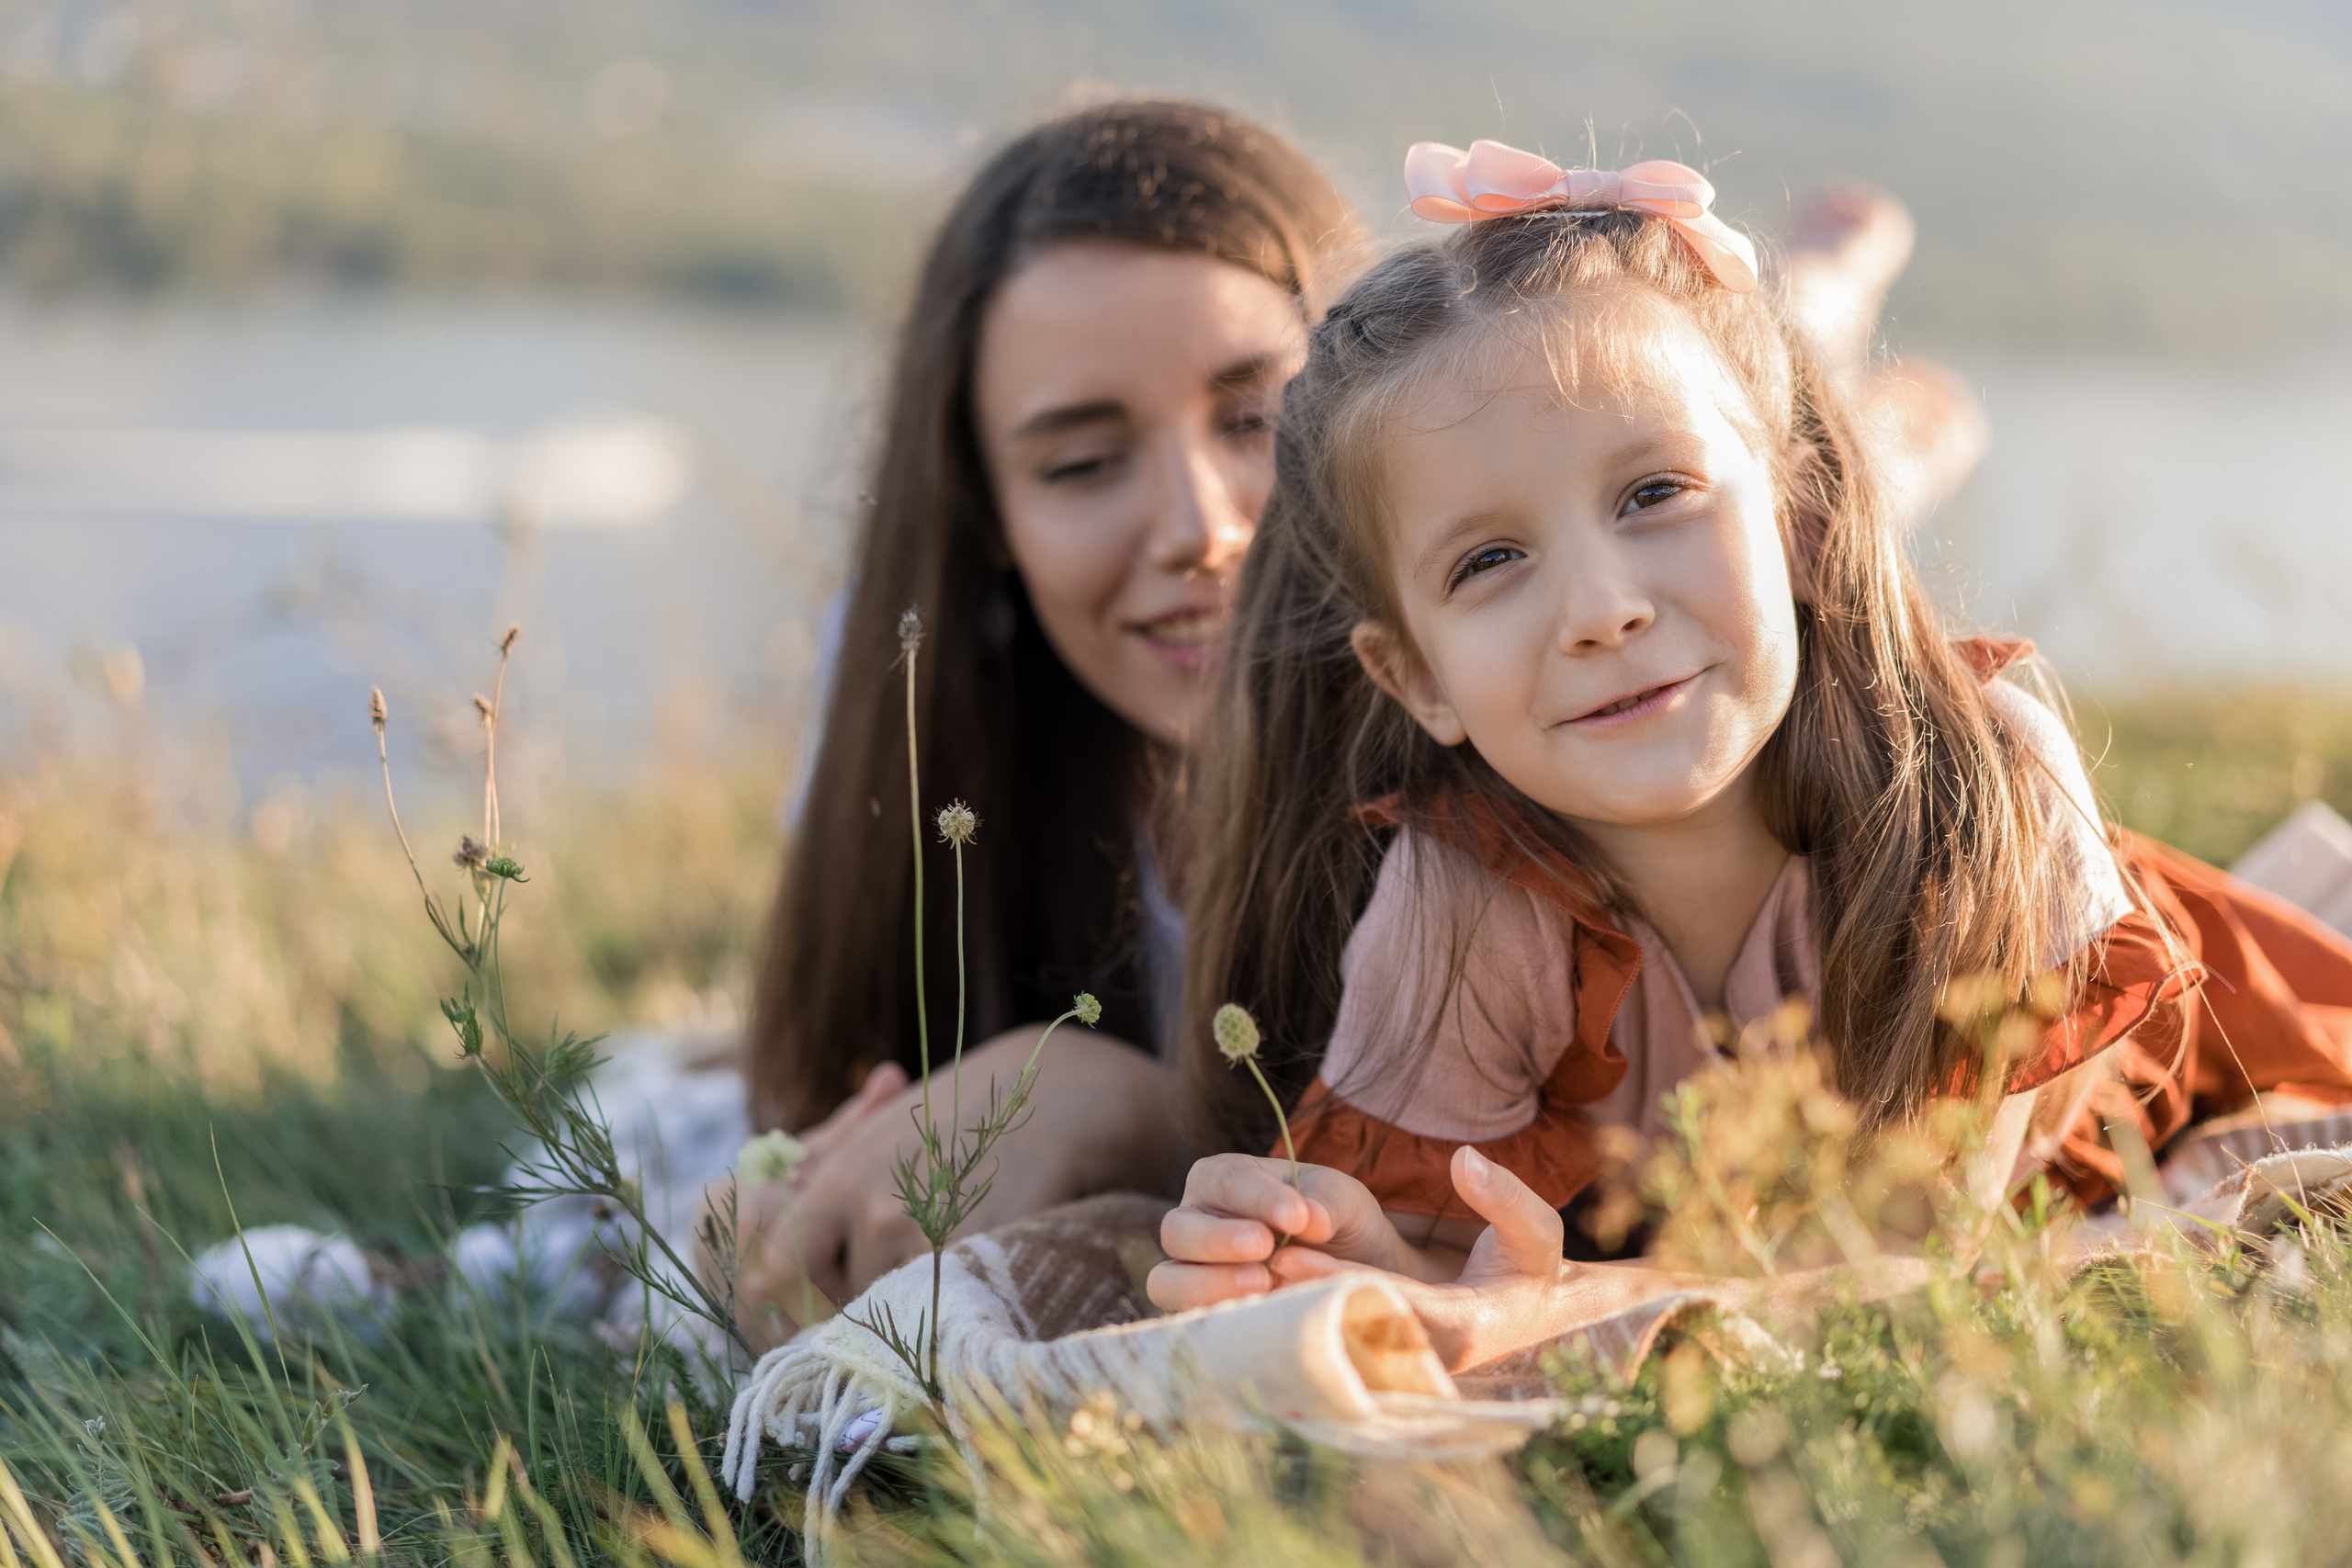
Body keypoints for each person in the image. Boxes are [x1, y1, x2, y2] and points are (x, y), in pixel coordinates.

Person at [1148, 138, 2352, 1371]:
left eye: (1653, 495)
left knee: (1833, 409)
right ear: (1417, 681)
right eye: (1490, 561)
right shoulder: (1461, 897)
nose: (1599, 609)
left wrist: (1550, 1305)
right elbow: (1442, 1269)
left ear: (1796, 525)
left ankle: (1827, 295)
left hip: (2105, 1102)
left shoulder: (1982, 790)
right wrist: (1356, 1259)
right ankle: (1803, 323)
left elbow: (1905, 1272)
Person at [727, 99, 1363, 1345]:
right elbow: (795, 1149)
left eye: (1257, 421)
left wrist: (1124, 1106)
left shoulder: (1541, 736)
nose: (1197, 526)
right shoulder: (939, 747)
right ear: (990, 530)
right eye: (1080, 465)